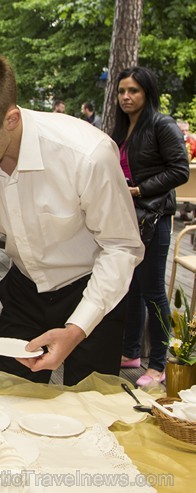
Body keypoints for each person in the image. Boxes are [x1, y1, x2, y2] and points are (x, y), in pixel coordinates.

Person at [0, 51, 144, 386]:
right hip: (23, 289)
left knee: (92, 406)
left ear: (10, 119)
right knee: (10, 400)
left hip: (94, 289)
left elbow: (121, 248)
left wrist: (76, 327)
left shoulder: (87, 155)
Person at [113, 67, 190, 387]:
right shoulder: (122, 128)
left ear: (147, 93)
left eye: (133, 91)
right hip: (127, 218)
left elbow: (180, 170)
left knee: (154, 290)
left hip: (154, 218)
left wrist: (140, 189)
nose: (126, 97)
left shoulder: (161, 124)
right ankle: (131, 351)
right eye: (121, 91)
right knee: (130, 288)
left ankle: (158, 364)